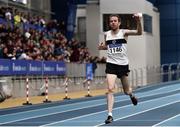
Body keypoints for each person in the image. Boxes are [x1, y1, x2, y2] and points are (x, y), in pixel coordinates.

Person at [98, 14, 142, 124]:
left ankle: (132, 95)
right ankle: (110, 115)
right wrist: (102, 47)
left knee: (127, 91)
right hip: (111, 64)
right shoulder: (106, 34)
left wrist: (138, 21)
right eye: (111, 21)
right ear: (109, 23)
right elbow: (108, 46)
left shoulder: (124, 32)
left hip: (123, 65)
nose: (113, 22)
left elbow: (139, 32)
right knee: (110, 88)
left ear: (119, 22)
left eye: (115, 21)